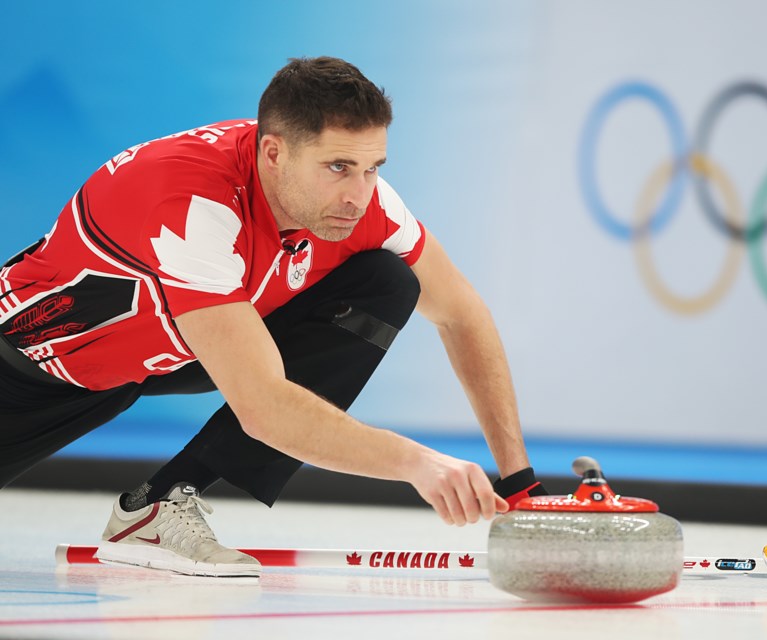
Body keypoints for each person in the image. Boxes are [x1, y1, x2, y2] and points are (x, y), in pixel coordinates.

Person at [0, 56, 547, 577]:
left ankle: (156, 511)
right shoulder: (192, 205)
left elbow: (461, 315)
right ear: (274, 153)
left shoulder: (363, 202)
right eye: (338, 167)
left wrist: (521, 483)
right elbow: (265, 410)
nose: (359, 195)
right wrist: (417, 463)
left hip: (163, 354)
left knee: (386, 281)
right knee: (267, 388)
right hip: (26, 375)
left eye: (372, 167)